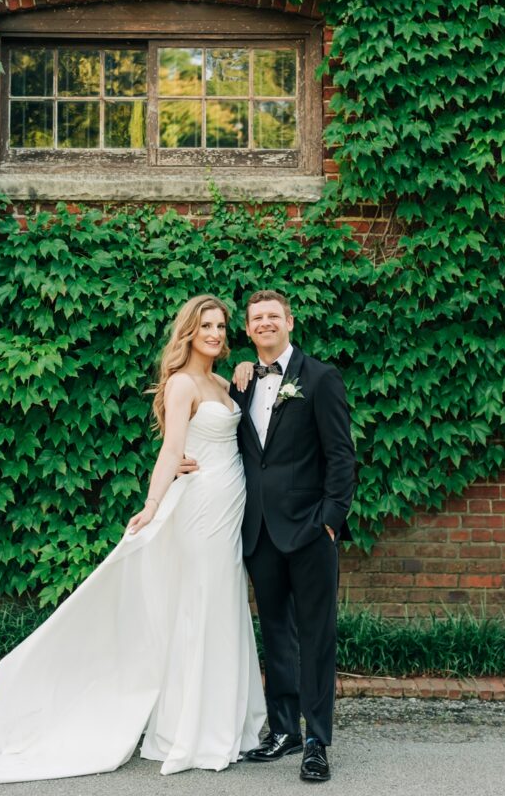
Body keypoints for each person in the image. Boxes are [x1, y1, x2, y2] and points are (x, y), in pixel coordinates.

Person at [0, 295, 265, 787]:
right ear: (188, 333)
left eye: (219, 326)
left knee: (224, 605)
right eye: (205, 326)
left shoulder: (222, 380)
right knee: (199, 605)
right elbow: (172, 449)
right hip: (199, 509)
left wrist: (242, 366)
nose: (214, 333)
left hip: (230, 504)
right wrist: (152, 506)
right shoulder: (181, 384)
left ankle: (223, 721)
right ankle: (190, 731)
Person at [184, 289, 356, 783]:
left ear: (290, 322)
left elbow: (341, 457)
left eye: (273, 316)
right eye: (257, 318)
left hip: (309, 530)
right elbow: (209, 434)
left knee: (317, 635)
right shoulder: (238, 382)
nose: (265, 323)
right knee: (276, 629)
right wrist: (176, 461)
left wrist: (330, 520)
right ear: (247, 327)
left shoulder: (320, 379)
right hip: (256, 529)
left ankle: (317, 741)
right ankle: (283, 729)